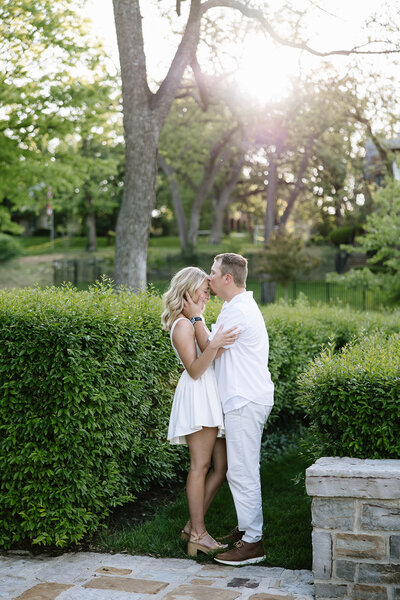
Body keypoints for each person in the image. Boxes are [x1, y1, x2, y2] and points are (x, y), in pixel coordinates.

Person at [183, 253, 274, 566]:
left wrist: (196, 318)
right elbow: (214, 346)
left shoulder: (238, 311)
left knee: (242, 471)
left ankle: (253, 543)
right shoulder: (236, 307)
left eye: (212, 273)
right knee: (239, 469)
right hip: (243, 398)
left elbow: (212, 350)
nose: (208, 279)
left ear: (227, 279)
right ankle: (248, 528)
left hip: (244, 399)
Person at [161, 266, 240, 557]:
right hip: (197, 394)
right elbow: (194, 370)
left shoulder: (192, 321)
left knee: (222, 467)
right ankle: (199, 534)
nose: (208, 296)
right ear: (189, 291)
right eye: (204, 292)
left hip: (209, 393)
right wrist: (212, 340)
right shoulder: (182, 325)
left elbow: (208, 347)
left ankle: (190, 528)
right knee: (200, 467)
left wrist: (202, 322)